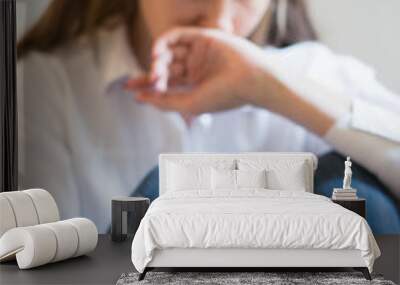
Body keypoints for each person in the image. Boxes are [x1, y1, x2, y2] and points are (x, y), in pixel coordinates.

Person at [17, 0, 399, 233]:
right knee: (160, 198)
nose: (218, 22)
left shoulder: (310, 74)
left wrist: (267, 86)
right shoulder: (46, 85)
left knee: (361, 197)